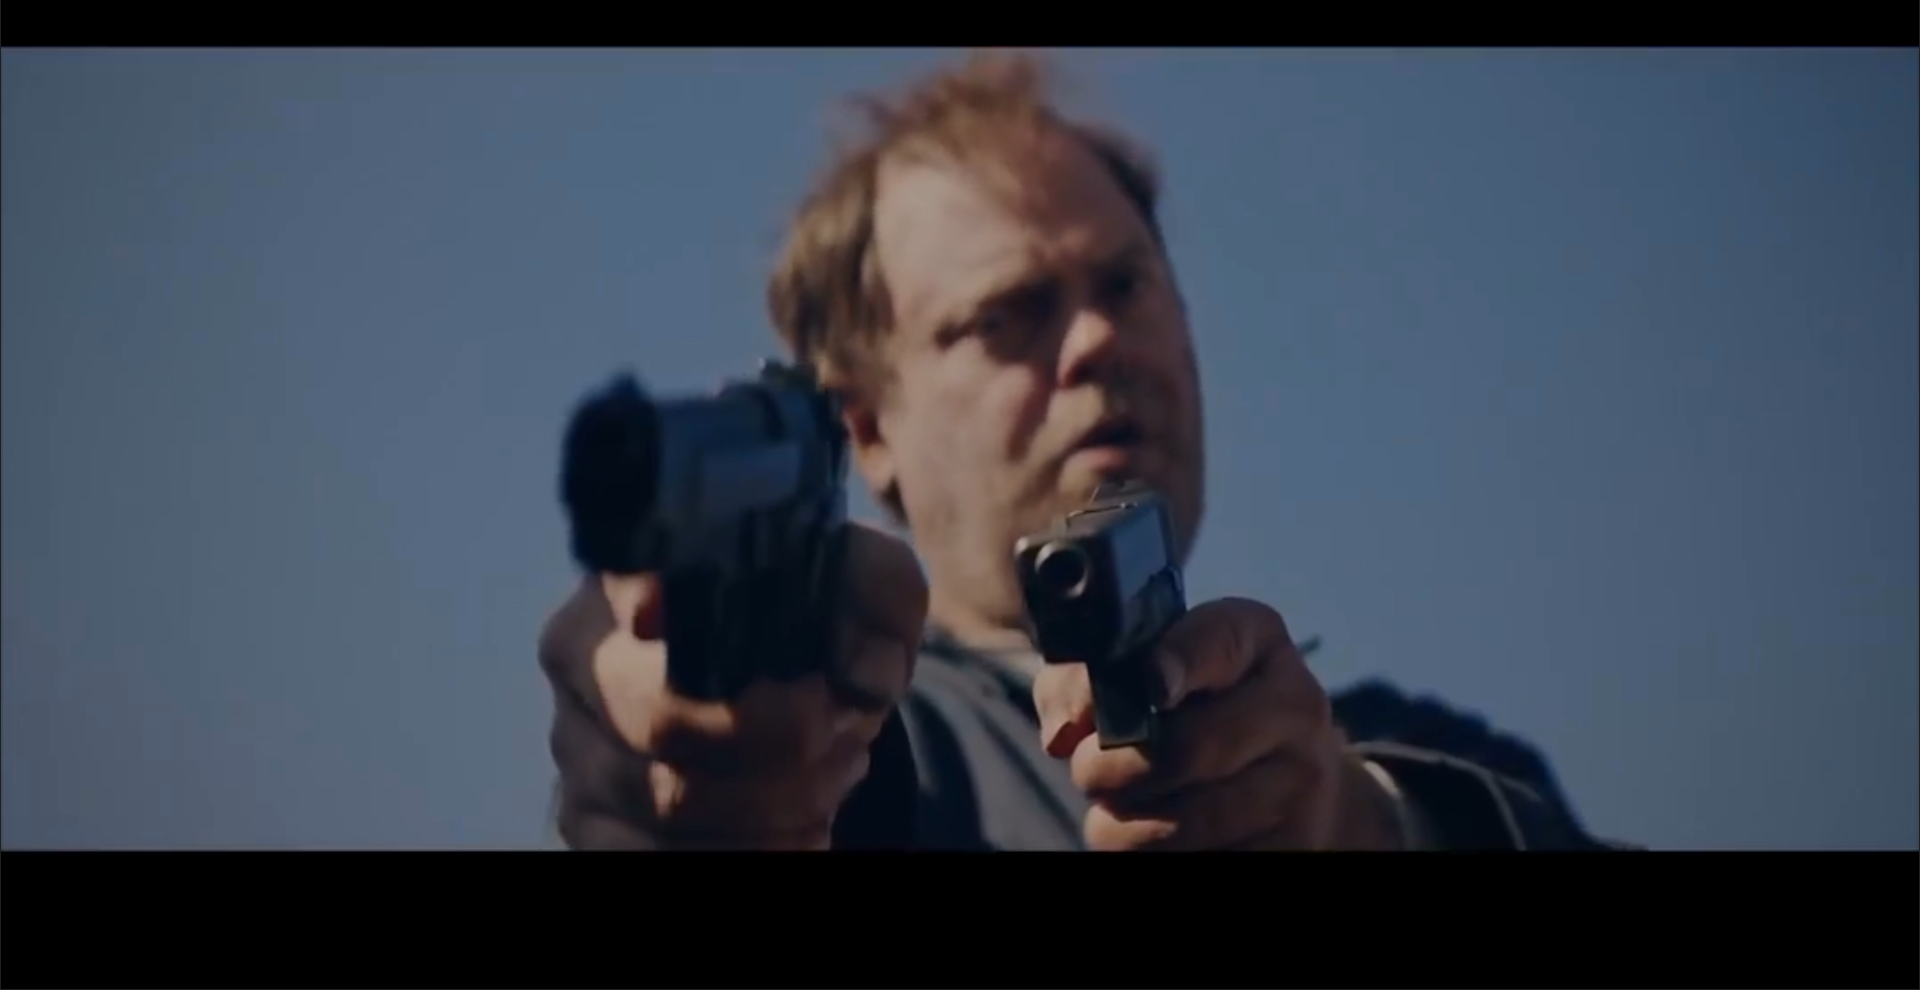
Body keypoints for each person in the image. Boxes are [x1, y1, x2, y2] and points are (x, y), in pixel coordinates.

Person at [538, 51, 1629, 851]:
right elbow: (684, 776)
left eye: (1125, 284)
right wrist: (696, 763)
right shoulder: (866, 749)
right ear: (867, 428)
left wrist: (1361, 825)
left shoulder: (1423, 764)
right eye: (1008, 315)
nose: (1099, 339)